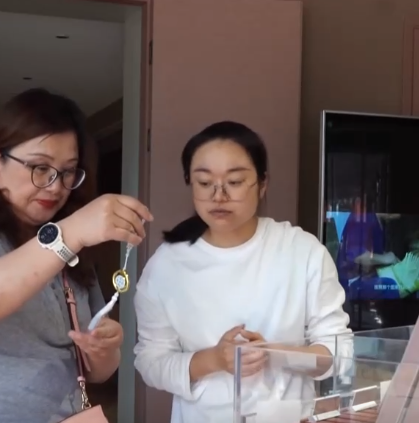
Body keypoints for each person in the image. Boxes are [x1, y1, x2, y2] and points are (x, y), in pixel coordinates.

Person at [0, 88, 153, 423]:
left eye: (68, 171)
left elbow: (96, 372)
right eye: (40, 167)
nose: (55, 185)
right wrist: (70, 232)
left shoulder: (67, 244)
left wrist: (104, 350)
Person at [133, 121, 352, 422]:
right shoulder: (166, 265)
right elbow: (150, 362)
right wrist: (214, 360)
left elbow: (339, 353)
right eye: (204, 183)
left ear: (262, 184)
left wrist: (276, 355)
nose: (218, 196)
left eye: (234, 182)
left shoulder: (301, 251)